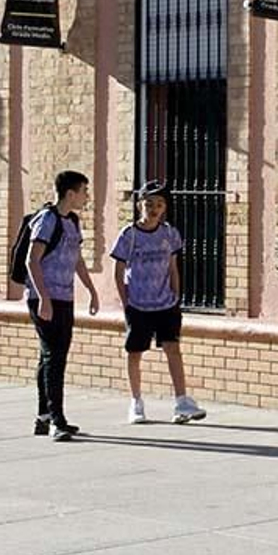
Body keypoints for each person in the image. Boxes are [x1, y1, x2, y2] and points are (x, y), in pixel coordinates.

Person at [109, 181, 204, 425]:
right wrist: (126, 302)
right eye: (149, 203)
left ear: (164, 208)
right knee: (135, 352)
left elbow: (173, 268)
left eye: (159, 204)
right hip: (139, 304)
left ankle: (182, 401)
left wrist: (176, 296)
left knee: (173, 348)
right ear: (140, 204)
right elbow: (118, 271)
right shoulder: (129, 235)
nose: (154, 209)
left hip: (166, 304)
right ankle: (136, 403)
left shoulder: (170, 233)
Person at [26, 170, 100, 441]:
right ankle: (57, 420)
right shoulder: (47, 219)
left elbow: (77, 260)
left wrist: (91, 290)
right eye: (84, 191)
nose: (87, 197)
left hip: (65, 298)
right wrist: (44, 298)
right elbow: (32, 260)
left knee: (50, 357)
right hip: (44, 298)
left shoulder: (73, 221)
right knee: (54, 357)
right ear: (71, 193)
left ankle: (43, 418)